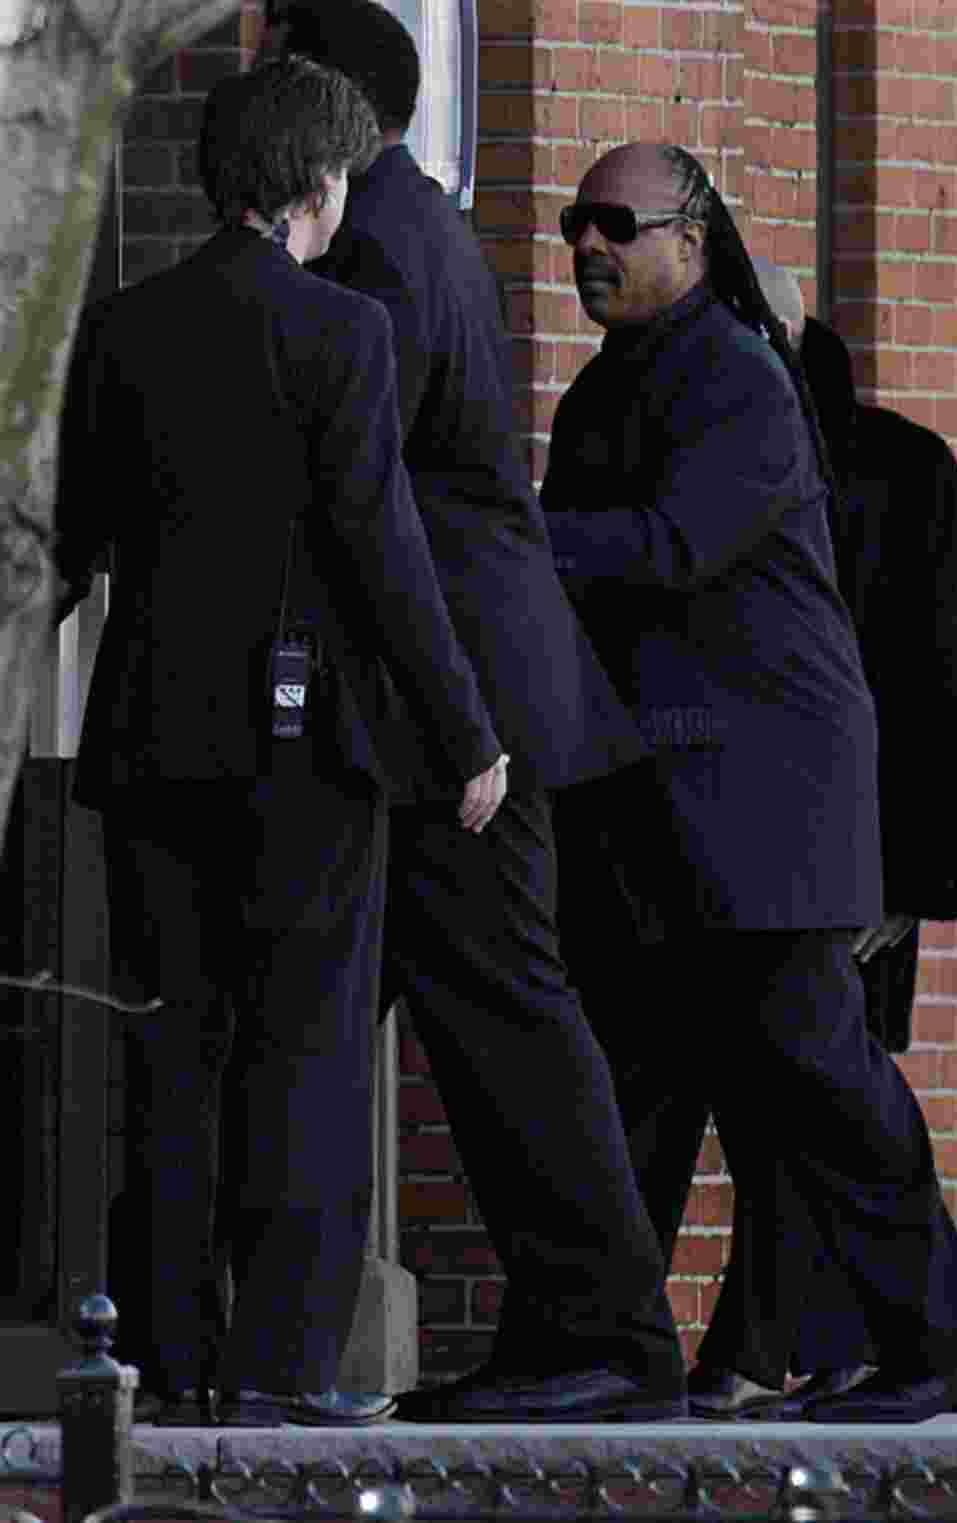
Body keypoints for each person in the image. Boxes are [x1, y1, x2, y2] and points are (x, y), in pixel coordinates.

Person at [501, 140, 957, 1425]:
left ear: (695, 237)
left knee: (823, 1083)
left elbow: (673, 547)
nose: (586, 247)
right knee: (619, 1090)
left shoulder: (734, 376)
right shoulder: (612, 387)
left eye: (617, 223)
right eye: (573, 224)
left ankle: (938, 1344)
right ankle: (597, 1347)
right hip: (656, 805)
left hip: (760, 806)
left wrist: (504, 533)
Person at [54, 54, 511, 1428]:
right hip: (304, 749)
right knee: (304, 1058)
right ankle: (284, 1365)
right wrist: (467, 737)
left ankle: (174, 1359)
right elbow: (385, 556)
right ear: (323, 185)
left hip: (146, 740)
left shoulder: (127, 330)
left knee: (176, 1056)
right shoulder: (343, 335)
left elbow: (76, 538)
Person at [267, 2, 688, 1424]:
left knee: (506, 1013)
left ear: (323, 94)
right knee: (471, 1012)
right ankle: (567, 1330)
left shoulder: (382, 241)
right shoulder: (412, 222)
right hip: (453, 692)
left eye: (276, 71)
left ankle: (612, 1337)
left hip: (460, 706)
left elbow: (352, 474)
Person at [731, 259, 957, 1415]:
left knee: (831, 1093)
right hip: (738, 837)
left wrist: (911, 875)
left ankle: (852, 1343)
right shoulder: (710, 445)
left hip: (852, 846)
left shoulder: (898, 465)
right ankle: (781, 1341)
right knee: (787, 1094)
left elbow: (938, 686)